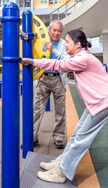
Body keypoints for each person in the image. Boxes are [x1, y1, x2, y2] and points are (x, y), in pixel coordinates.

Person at [21, 29, 108, 183]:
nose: (65, 44)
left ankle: (62, 173)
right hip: (97, 102)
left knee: (81, 139)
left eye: (67, 42)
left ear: (78, 44)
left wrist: (33, 61)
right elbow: (62, 59)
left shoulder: (82, 58)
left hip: (103, 102)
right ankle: (62, 162)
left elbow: (59, 64)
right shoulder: (79, 56)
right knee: (77, 133)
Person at [32, 20, 70, 149]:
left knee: (60, 111)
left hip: (58, 79)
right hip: (43, 78)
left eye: (59, 30)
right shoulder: (41, 42)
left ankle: (58, 138)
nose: (56, 33)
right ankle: (32, 137)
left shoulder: (64, 44)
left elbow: (66, 61)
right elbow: (36, 56)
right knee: (37, 110)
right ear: (49, 30)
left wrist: (53, 50)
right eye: (54, 30)